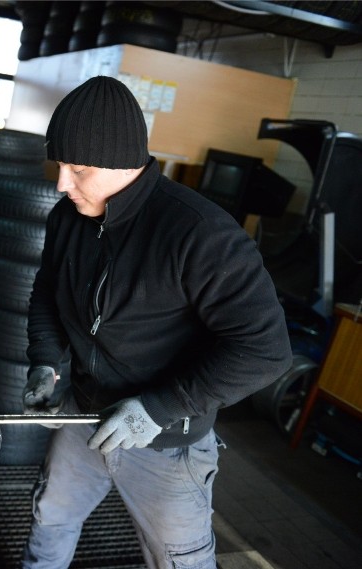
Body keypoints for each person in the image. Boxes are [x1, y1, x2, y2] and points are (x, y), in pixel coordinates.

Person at [20, 76, 292, 569]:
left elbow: (265, 350)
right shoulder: (68, 218)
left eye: (77, 168)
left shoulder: (200, 233)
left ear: (124, 162)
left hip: (167, 443)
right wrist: (45, 360)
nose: (62, 182)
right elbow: (46, 289)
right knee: (50, 518)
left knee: (179, 561)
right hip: (83, 419)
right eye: (59, 164)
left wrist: (158, 407)